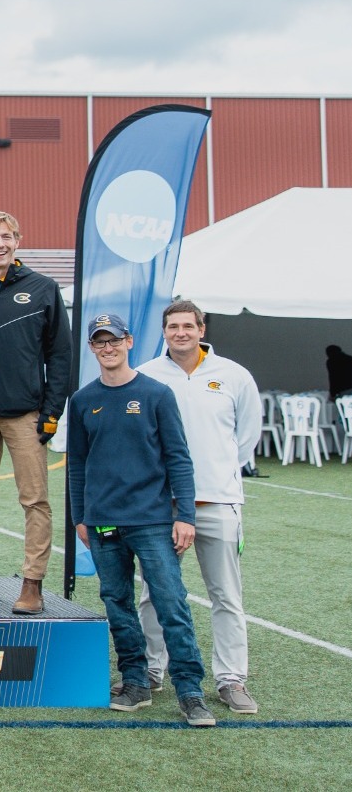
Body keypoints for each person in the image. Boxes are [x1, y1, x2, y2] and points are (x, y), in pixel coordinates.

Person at [69, 312, 214, 728]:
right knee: (117, 603)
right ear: (93, 348)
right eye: (100, 342)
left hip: (152, 521)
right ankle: (134, 681)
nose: (107, 347)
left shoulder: (157, 394)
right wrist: (81, 515)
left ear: (129, 341)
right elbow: (76, 464)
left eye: (113, 340)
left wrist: (183, 515)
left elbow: (179, 459)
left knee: (171, 604)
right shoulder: (82, 400)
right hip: (102, 523)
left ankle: (190, 690)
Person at [137, 300, 261, 714]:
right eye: (173, 327)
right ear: (164, 331)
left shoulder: (234, 375)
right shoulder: (148, 375)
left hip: (217, 501)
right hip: (162, 506)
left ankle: (231, 679)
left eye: (188, 326)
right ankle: (153, 670)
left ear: (202, 328)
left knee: (226, 594)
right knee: (154, 593)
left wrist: (215, 475)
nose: (181, 333)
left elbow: (245, 437)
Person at [0, 211, 72, 614]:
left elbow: (60, 354)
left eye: (6, 236)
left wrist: (52, 410)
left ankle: (32, 583)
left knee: (34, 500)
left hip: (26, 414)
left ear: (18, 240)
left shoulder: (43, 288)